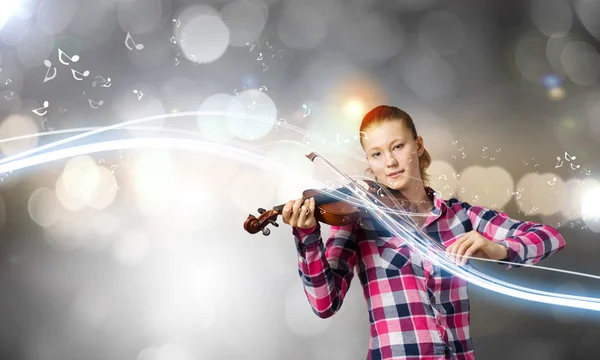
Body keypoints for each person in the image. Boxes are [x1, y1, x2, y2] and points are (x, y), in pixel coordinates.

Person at [281, 105, 566, 360]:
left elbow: (550, 237)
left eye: (397, 146)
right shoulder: (358, 223)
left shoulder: (459, 216)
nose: (390, 162)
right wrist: (308, 237)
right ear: (369, 161)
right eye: (377, 154)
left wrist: (497, 248)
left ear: (417, 145)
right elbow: (324, 304)